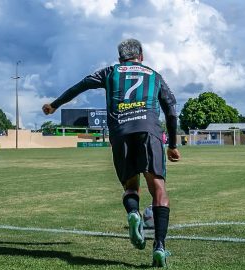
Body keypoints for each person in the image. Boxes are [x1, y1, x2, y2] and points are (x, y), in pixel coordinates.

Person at [42, 38, 180, 267]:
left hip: (121, 131)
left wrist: (55, 105)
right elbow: (171, 111)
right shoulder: (154, 75)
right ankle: (160, 247)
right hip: (149, 130)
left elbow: (80, 85)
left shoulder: (110, 72)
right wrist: (173, 144)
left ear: (120, 59)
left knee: (130, 187)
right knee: (158, 189)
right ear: (141, 56)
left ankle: (133, 213)